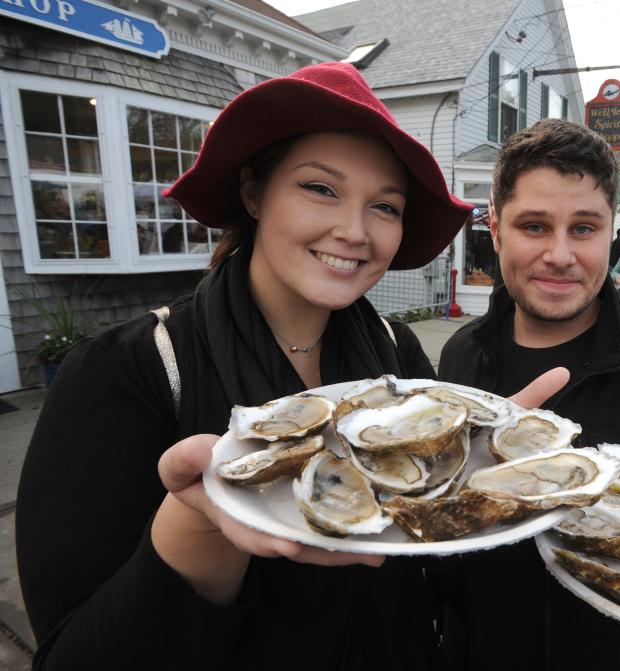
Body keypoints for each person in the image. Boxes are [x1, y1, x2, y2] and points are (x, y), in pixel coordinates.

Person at [16, 63, 485, 670]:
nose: (354, 231)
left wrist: (478, 476)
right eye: (320, 188)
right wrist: (199, 527)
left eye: (386, 207)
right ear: (254, 193)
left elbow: (423, 564)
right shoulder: (127, 371)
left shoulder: (397, 352)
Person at [437, 118, 620, 671]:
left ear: (612, 232)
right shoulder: (459, 358)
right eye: (533, 226)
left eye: (583, 228)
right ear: (496, 232)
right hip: (473, 648)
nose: (559, 254)